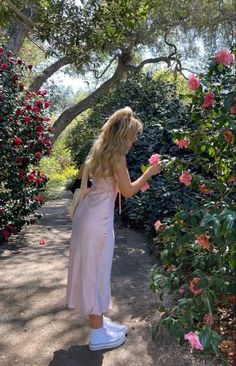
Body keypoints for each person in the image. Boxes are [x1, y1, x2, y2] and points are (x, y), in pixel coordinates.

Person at [65, 106, 162, 351]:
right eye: (134, 135)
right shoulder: (117, 156)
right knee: (95, 273)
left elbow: (86, 175)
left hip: (87, 215)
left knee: (92, 270)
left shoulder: (98, 148)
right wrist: (149, 173)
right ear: (124, 135)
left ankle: (100, 322)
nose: (135, 139)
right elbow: (128, 191)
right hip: (97, 222)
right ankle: (98, 334)